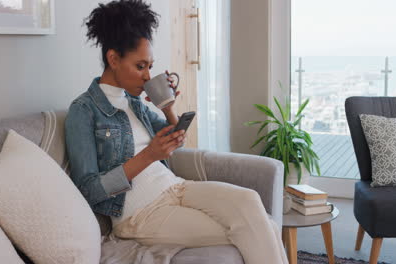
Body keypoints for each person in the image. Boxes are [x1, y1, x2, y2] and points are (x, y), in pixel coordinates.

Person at [65, 1, 288, 263]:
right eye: (140, 66)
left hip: (176, 188)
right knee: (259, 228)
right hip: (140, 215)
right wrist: (149, 155)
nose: (148, 76)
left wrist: (168, 107)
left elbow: (174, 139)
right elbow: (89, 189)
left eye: (150, 66)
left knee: (250, 202)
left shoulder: (134, 102)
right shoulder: (84, 111)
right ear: (113, 59)